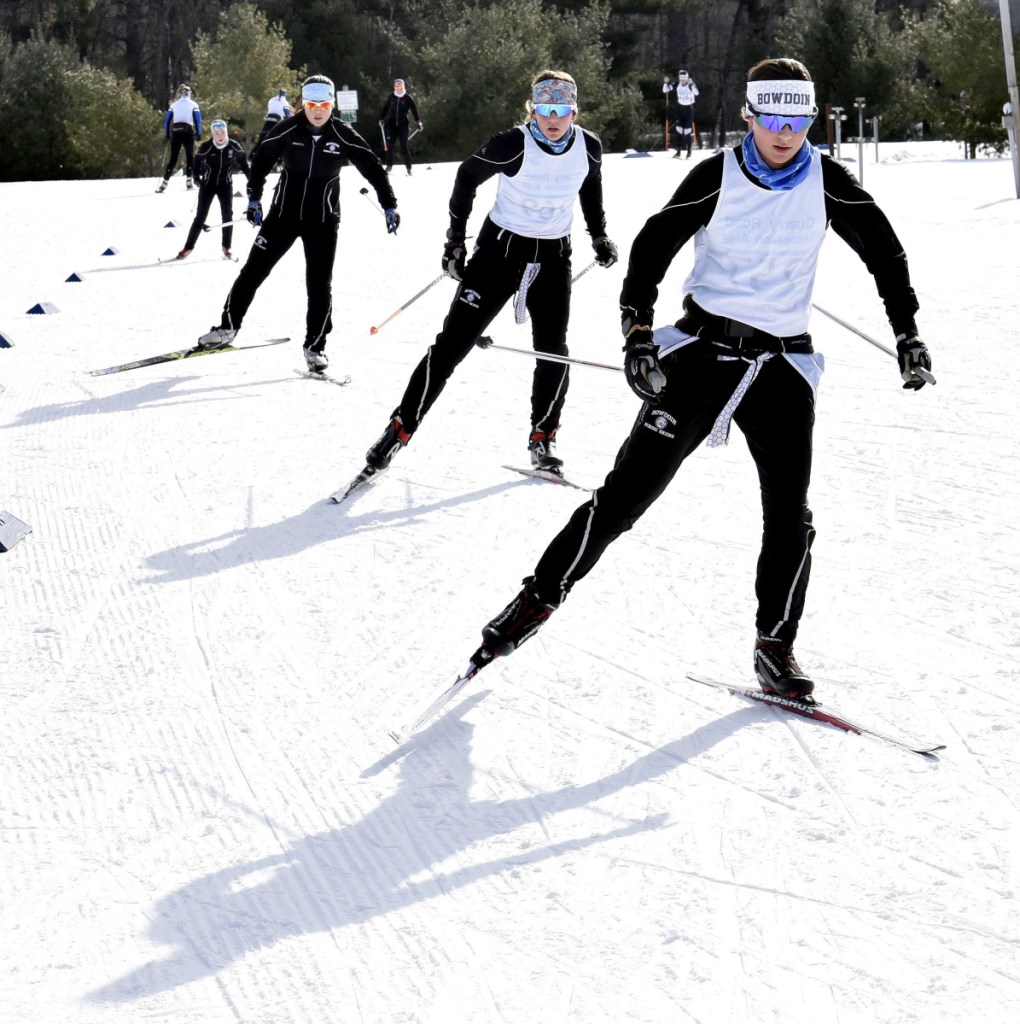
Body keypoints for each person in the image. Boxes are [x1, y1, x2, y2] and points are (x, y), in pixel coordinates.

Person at [476, 57, 933, 702]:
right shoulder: (716, 174)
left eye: (797, 118)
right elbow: (653, 247)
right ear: (749, 114)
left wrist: (907, 331)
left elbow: (885, 252)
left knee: (791, 516)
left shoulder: (827, 181)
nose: (785, 132)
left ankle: (774, 646)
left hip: (783, 364)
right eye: (772, 117)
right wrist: (637, 334)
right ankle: (534, 601)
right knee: (624, 498)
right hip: (700, 352)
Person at [358, 69, 618, 481]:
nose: (552, 119)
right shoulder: (513, 143)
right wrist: (455, 242)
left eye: (561, 110)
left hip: (553, 257)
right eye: (544, 109)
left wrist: (599, 235)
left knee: (553, 350)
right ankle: (398, 430)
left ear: (573, 110)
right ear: (532, 109)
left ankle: (543, 437)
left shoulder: (589, 146)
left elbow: (590, 186)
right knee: (450, 347)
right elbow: (465, 177)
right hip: (499, 255)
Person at [195, 75, 398, 373]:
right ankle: (227, 327)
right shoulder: (287, 129)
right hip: (283, 216)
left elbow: (372, 168)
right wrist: (254, 199)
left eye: (325, 105)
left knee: (319, 286)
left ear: (332, 105)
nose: (318, 111)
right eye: (312, 104)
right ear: (303, 104)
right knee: (253, 271)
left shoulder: (343, 134)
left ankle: (315, 347)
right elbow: (261, 161)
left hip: (323, 221)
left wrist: (389, 204)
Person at [175, 120, 250, 260]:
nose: (220, 136)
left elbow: (244, 165)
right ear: (212, 134)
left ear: (226, 132)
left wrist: (252, 180)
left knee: (227, 216)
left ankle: (227, 247)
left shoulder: (234, 146)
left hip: (225, 185)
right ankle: (188, 247)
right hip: (207, 185)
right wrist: (196, 178)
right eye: (216, 133)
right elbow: (195, 163)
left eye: (222, 132)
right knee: (200, 217)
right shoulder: (206, 146)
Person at [157, 85, 202, 193]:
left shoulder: (174, 104)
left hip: (176, 132)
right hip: (188, 131)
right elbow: (198, 120)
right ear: (189, 93)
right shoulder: (193, 104)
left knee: (173, 159)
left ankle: (164, 182)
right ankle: (189, 181)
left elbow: (167, 121)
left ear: (180, 93)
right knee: (190, 157)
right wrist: (199, 133)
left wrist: (167, 134)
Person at [378, 79, 422, 175]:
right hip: (392, 124)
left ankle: (409, 168)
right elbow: (385, 108)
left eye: (400, 87)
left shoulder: (407, 98)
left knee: (404, 146)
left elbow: (414, 110)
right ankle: (389, 167)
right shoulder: (392, 97)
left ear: (403, 87)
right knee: (390, 146)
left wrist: (418, 122)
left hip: (403, 125)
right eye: (397, 87)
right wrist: (381, 119)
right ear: (394, 87)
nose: (398, 89)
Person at [671, 69, 699, 158]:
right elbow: (665, 90)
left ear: (687, 79)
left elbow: (697, 93)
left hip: (688, 109)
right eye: (681, 79)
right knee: (679, 129)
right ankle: (678, 151)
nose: (682, 81)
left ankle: (689, 151)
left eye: (684, 79)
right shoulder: (677, 84)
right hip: (680, 108)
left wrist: (693, 85)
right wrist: (666, 83)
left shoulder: (690, 85)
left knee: (687, 131)